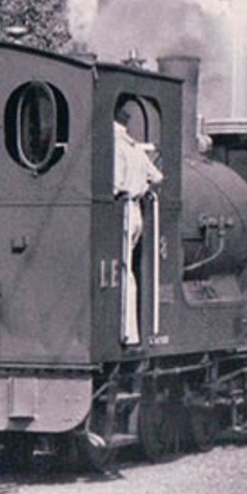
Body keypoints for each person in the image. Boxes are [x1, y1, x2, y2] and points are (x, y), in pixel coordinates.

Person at [113, 99, 163, 344]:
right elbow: (158, 176)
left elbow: (113, 184)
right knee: (127, 270)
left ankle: (127, 332)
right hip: (136, 211)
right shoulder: (134, 148)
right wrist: (142, 187)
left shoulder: (115, 145)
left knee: (121, 271)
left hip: (121, 209)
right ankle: (129, 331)